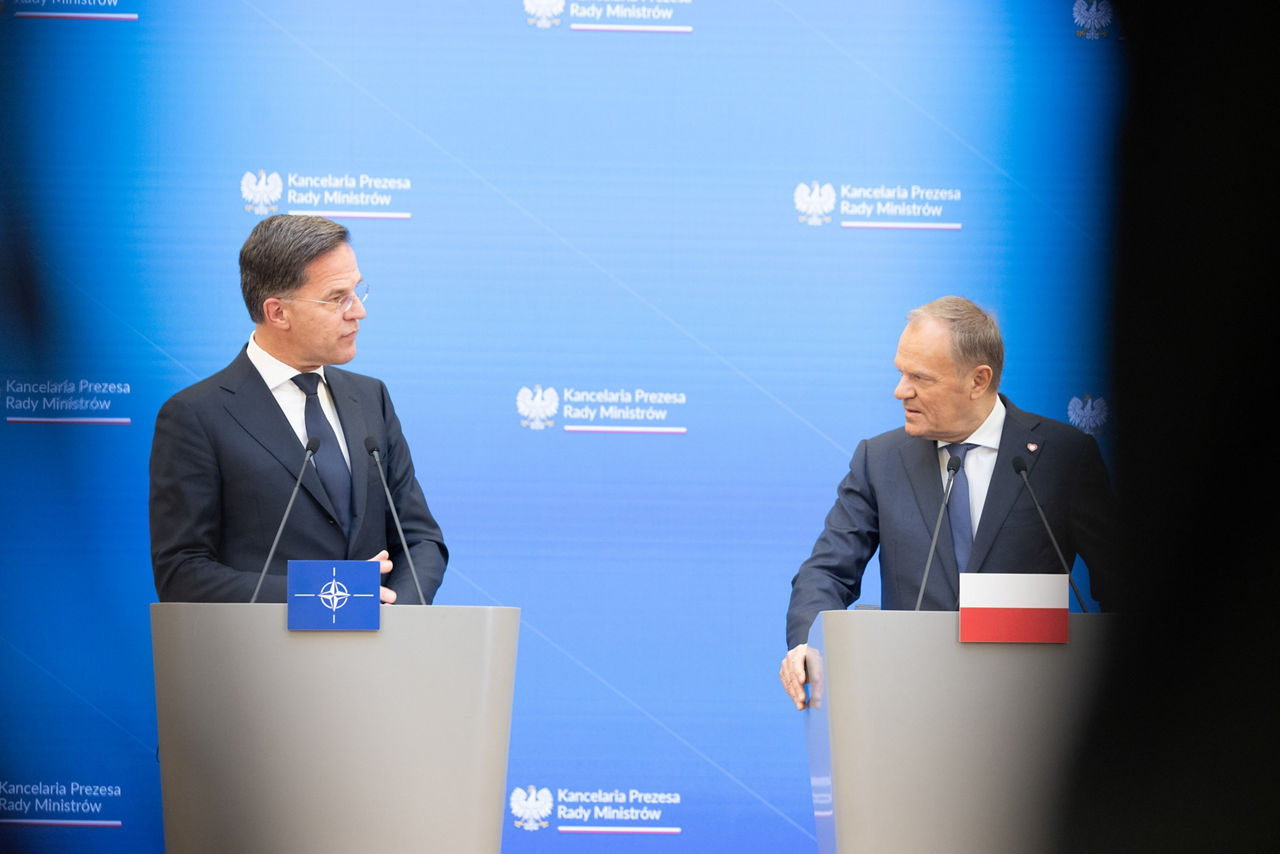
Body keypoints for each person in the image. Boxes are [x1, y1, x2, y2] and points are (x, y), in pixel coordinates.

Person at [780, 296, 1115, 709]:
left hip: (1034, 712)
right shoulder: (879, 460)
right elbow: (826, 573)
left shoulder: (1064, 457)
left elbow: (1119, 581)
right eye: (901, 373)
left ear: (978, 380)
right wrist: (806, 645)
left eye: (920, 377)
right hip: (911, 708)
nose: (901, 391)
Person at [149, 215, 447, 604]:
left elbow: (420, 540)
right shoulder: (196, 417)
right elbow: (182, 573)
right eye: (337, 298)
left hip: (377, 657)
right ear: (277, 313)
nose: (358, 311)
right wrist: (332, 594)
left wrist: (395, 612)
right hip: (265, 658)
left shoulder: (371, 398)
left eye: (357, 292)